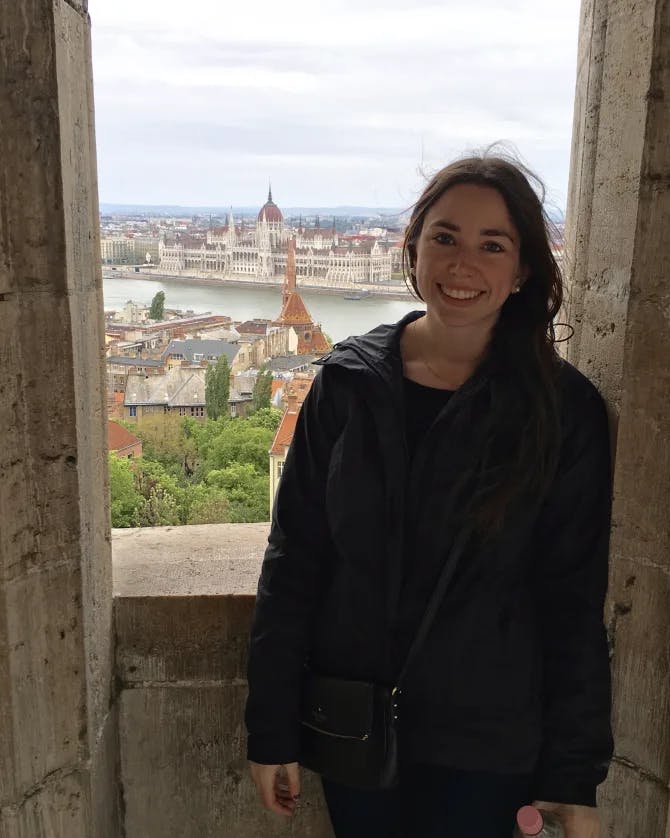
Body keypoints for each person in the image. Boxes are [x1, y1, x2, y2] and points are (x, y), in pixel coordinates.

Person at [245, 152, 613, 838]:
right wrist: (271, 729)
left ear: (523, 269)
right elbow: (295, 559)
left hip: (489, 747)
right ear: (413, 250)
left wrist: (572, 777)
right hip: (356, 731)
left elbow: (570, 602)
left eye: (492, 245)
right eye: (444, 237)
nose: (462, 263)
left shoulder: (565, 412)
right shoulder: (346, 385)